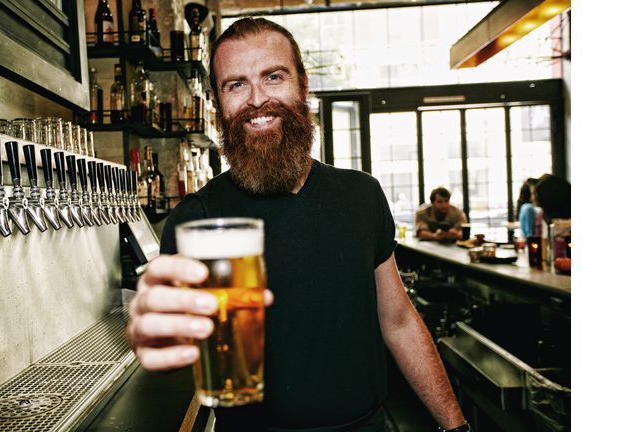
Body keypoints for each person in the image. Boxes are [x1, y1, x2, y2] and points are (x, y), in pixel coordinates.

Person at [126, 18, 469, 432]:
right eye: (236, 85)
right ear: (219, 105)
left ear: (303, 86)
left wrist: (456, 425)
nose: (256, 100)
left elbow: (397, 320)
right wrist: (153, 332)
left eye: (273, 77)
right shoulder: (197, 219)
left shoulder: (362, 196)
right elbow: (179, 340)